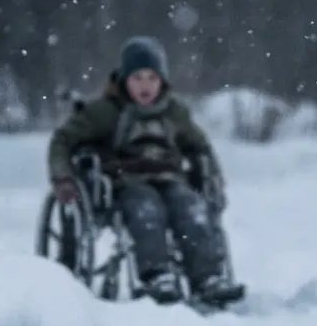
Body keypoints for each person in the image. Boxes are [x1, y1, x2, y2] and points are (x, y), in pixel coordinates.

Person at [48, 37, 230, 305]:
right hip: (125, 182)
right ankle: (157, 275)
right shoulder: (106, 112)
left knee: (191, 208)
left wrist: (213, 178)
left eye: (152, 79)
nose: (145, 86)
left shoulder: (173, 112)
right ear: (124, 79)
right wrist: (63, 177)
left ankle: (207, 278)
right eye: (138, 78)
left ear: (162, 81)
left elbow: (200, 146)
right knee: (147, 210)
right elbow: (63, 140)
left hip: (169, 178)